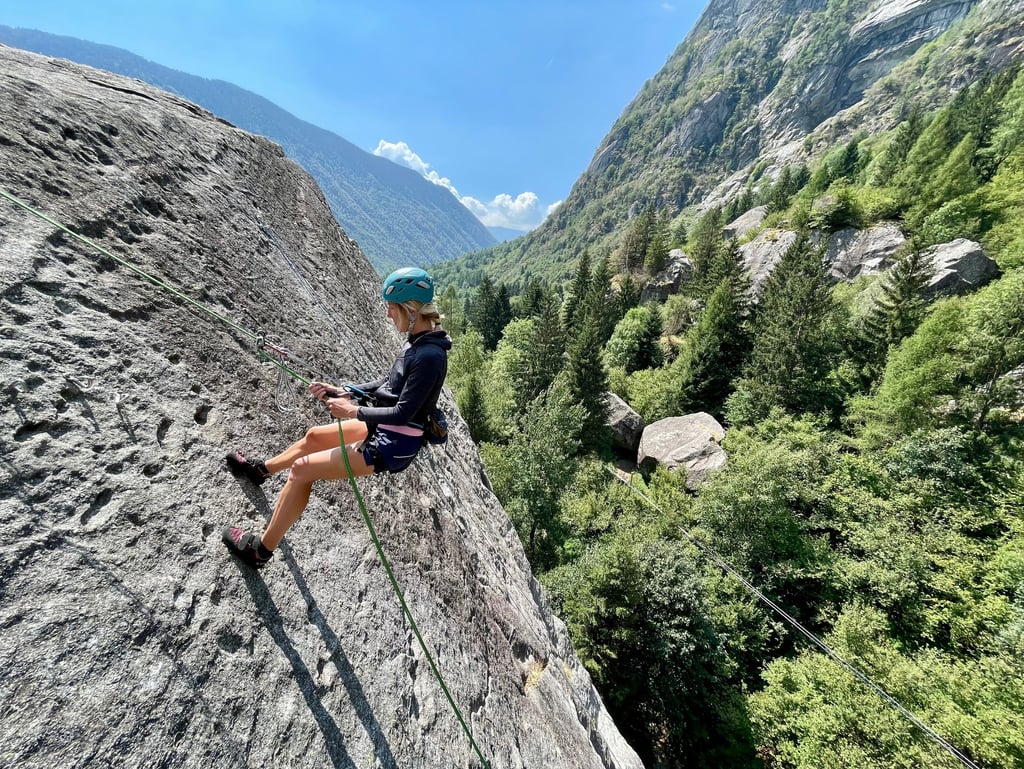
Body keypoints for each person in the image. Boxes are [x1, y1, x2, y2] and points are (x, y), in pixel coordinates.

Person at [221, 267, 451, 569]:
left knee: (302, 470)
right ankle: (261, 472)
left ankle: (259, 552)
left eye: (392, 309)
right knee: (315, 436)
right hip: (385, 426)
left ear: (410, 309)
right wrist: (346, 391)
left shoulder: (430, 357)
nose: (388, 316)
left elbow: (404, 411)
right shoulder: (417, 342)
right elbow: (389, 383)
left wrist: (352, 410)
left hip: (393, 443)